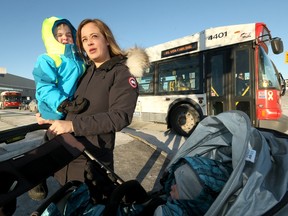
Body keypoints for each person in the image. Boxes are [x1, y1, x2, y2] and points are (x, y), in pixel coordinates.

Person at [35, 18, 149, 199]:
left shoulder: (121, 73)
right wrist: (48, 113)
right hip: (65, 158)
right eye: (84, 39)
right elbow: (66, 102)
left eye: (94, 36)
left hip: (91, 163)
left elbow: (120, 117)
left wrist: (73, 126)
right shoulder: (84, 71)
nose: (89, 42)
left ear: (106, 39)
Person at [32, 16, 87, 120]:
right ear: (51, 38)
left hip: (74, 108)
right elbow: (44, 86)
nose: (65, 37)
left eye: (69, 35)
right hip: (53, 110)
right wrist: (63, 104)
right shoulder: (47, 59)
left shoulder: (80, 60)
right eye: (59, 35)